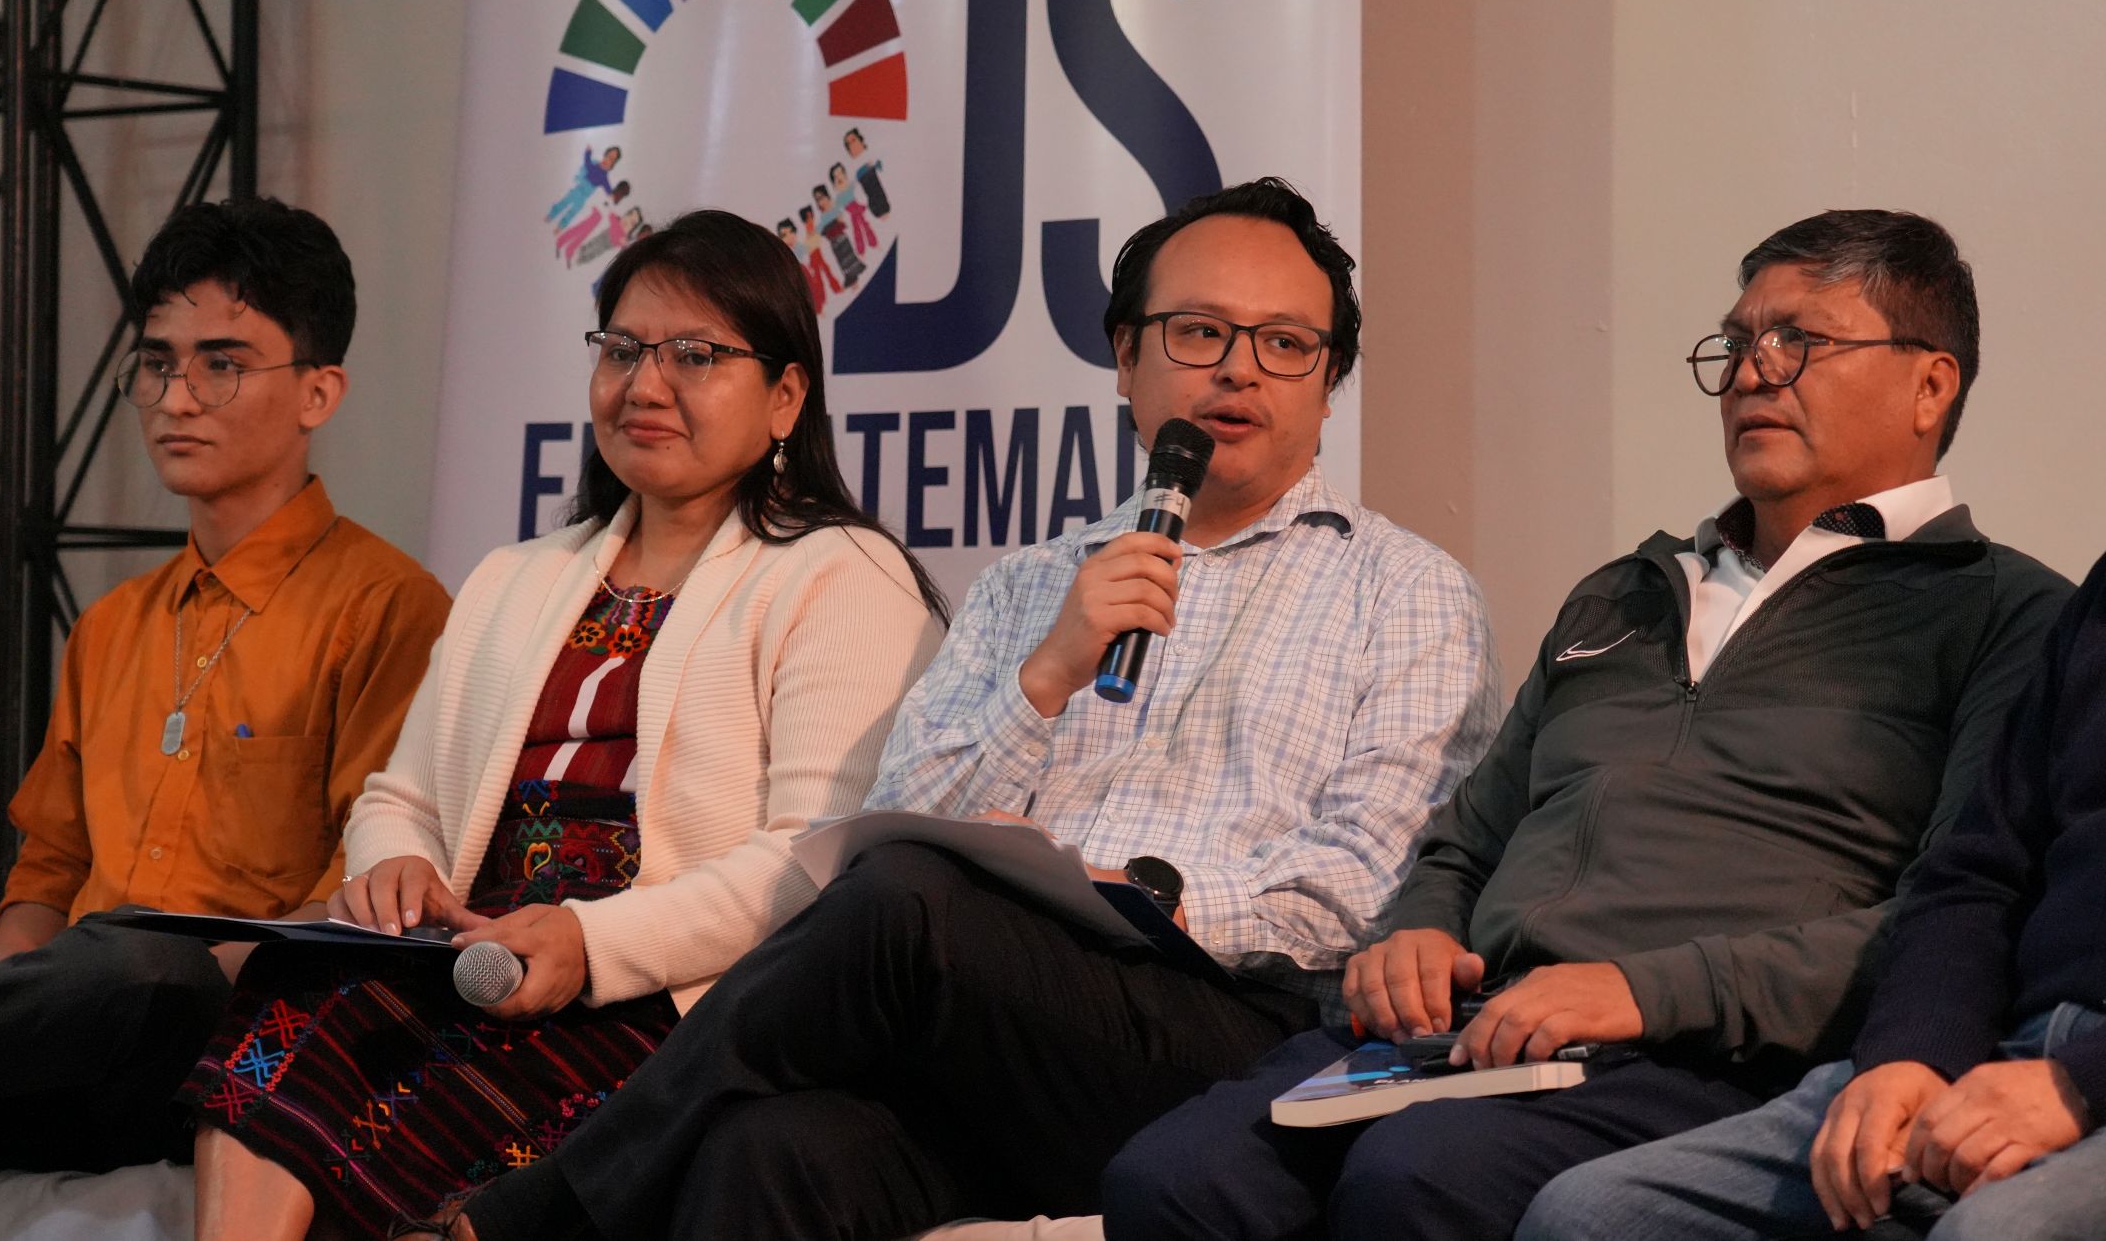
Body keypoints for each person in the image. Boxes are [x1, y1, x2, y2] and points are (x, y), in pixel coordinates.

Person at [425, 176, 1507, 1241]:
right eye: (1197, 332)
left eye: (1284, 344)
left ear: (1328, 383)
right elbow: (894, 825)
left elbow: (1369, 888)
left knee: (909, 904)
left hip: (1229, 1036)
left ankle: (531, 1221)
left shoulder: (1407, 592)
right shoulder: (1030, 584)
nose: (1237, 368)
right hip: (991, 1038)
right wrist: (1046, 676)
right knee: (770, 1148)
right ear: (1124, 357)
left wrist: (1148, 896)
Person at [1101, 209, 2074, 1241]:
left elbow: (1952, 915)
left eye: (1800, 341)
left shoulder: (2005, 613)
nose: (1752, 372)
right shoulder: (1625, 592)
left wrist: (1639, 991)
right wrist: (1417, 929)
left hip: (1707, 1054)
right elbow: (1467, 839)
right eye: (1738, 342)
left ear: (1930, 385)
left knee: (1417, 1177)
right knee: (1169, 1179)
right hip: (1471, 1033)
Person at [180, 210, 946, 1239]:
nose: (645, 386)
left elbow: (813, 862)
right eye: (622, 350)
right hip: (473, 952)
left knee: (442, 1095)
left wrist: (590, 941)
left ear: (785, 396)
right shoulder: (516, 576)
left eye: (694, 356)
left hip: (672, 994)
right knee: (298, 982)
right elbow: (400, 798)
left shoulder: (841, 574)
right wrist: (398, 866)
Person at [0, 197, 451, 1188]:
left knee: (147, 965)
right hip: (78, 1040)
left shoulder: (386, 607)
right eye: (157, 363)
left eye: (221, 364)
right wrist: (23, 1011)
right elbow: (45, 876)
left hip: (233, 1037)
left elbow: (360, 894)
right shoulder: (113, 624)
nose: (176, 399)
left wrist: (143, 980)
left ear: (319, 392)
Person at [1521, 548, 2106, 1241]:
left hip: (2078, 1072)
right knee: (1585, 1213)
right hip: (2005, 1047)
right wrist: (1914, 1051)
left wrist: (2082, 1081)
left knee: (1994, 1231)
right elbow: (1977, 875)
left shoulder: (2001, 600)